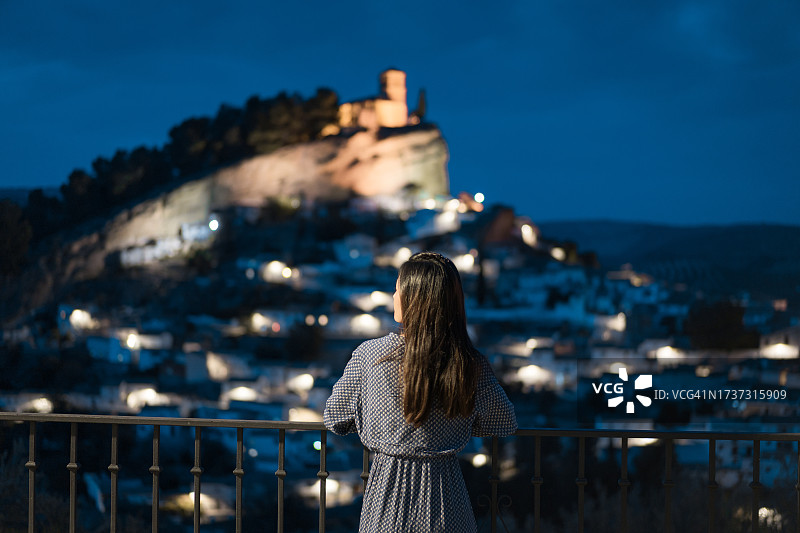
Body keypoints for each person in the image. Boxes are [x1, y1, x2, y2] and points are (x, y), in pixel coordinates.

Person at [323, 251, 517, 532]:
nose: (393, 295)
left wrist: (379, 423)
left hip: (386, 505)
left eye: (397, 287)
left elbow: (335, 418)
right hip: (447, 504)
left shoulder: (370, 356)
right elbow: (505, 421)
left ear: (414, 297)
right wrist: (458, 422)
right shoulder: (469, 362)